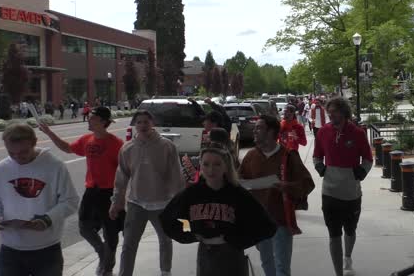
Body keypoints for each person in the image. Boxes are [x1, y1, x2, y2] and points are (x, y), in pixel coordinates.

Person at [160, 146, 277, 276]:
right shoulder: (191, 194)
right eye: (206, 164)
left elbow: (268, 226)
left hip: (231, 255)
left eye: (217, 164)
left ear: (226, 166)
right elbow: (166, 219)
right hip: (205, 253)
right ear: (200, 165)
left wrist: (238, 240)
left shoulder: (237, 194)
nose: (211, 169)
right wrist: (190, 235)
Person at [39, 106, 125, 276]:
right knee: (84, 228)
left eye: (92, 118)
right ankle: (102, 252)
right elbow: (67, 148)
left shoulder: (116, 144)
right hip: (91, 191)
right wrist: (49, 133)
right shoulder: (87, 139)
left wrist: (120, 197)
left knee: (111, 233)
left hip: (109, 193)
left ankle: (107, 267)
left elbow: (125, 171)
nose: (88, 120)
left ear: (102, 121)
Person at [0, 123, 79, 276]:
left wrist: (47, 219)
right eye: (11, 153)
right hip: (10, 249)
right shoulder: (0, 170)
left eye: (23, 152)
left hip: (47, 249)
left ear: (35, 142)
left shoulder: (54, 166)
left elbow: (70, 201)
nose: (17, 157)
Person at [109, 110, 186, 276]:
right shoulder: (127, 148)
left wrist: (180, 202)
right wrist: (116, 202)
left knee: (165, 239)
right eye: (139, 122)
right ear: (135, 125)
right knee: (129, 243)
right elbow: (121, 178)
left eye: (146, 122)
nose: (143, 125)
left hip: (162, 203)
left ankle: (165, 271)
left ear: (152, 123)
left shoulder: (166, 146)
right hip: (136, 202)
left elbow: (175, 174)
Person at [239, 115, 315, 276]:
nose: (255, 131)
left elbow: (307, 184)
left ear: (271, 132)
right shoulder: (251, 156)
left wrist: (286, 186)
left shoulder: (288, 156)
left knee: (281, 267)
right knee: (267, 263)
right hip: (259, 220)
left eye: (259, 128)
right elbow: (239, 181)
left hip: (281, 220)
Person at [313, 97, 373, 276]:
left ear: (344, 112)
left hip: (351, 193)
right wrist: (321, 168)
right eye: (329, 112)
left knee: (350, 230)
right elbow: (317, 156)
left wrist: (360, 173)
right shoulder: (323, 132)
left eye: (334, 112)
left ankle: (348, 257)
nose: (331, 115)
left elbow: (368, 158)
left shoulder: (357, 133)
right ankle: (338, 273)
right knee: (333, 234)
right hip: (329, 192)